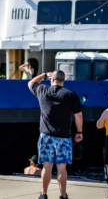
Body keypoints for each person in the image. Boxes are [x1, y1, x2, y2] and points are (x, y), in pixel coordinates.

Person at [28, 70, 83, 199]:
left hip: (46, 136)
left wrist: (45, 74)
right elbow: (78, 116)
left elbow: (31, 82)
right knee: (62, 167)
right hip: (64, 137)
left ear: (52, 80)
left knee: (47, 165)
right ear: (63, 81)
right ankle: (63, 195)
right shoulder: (70, 94)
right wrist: (79, 132)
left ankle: (43, 194)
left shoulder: (42, 90)